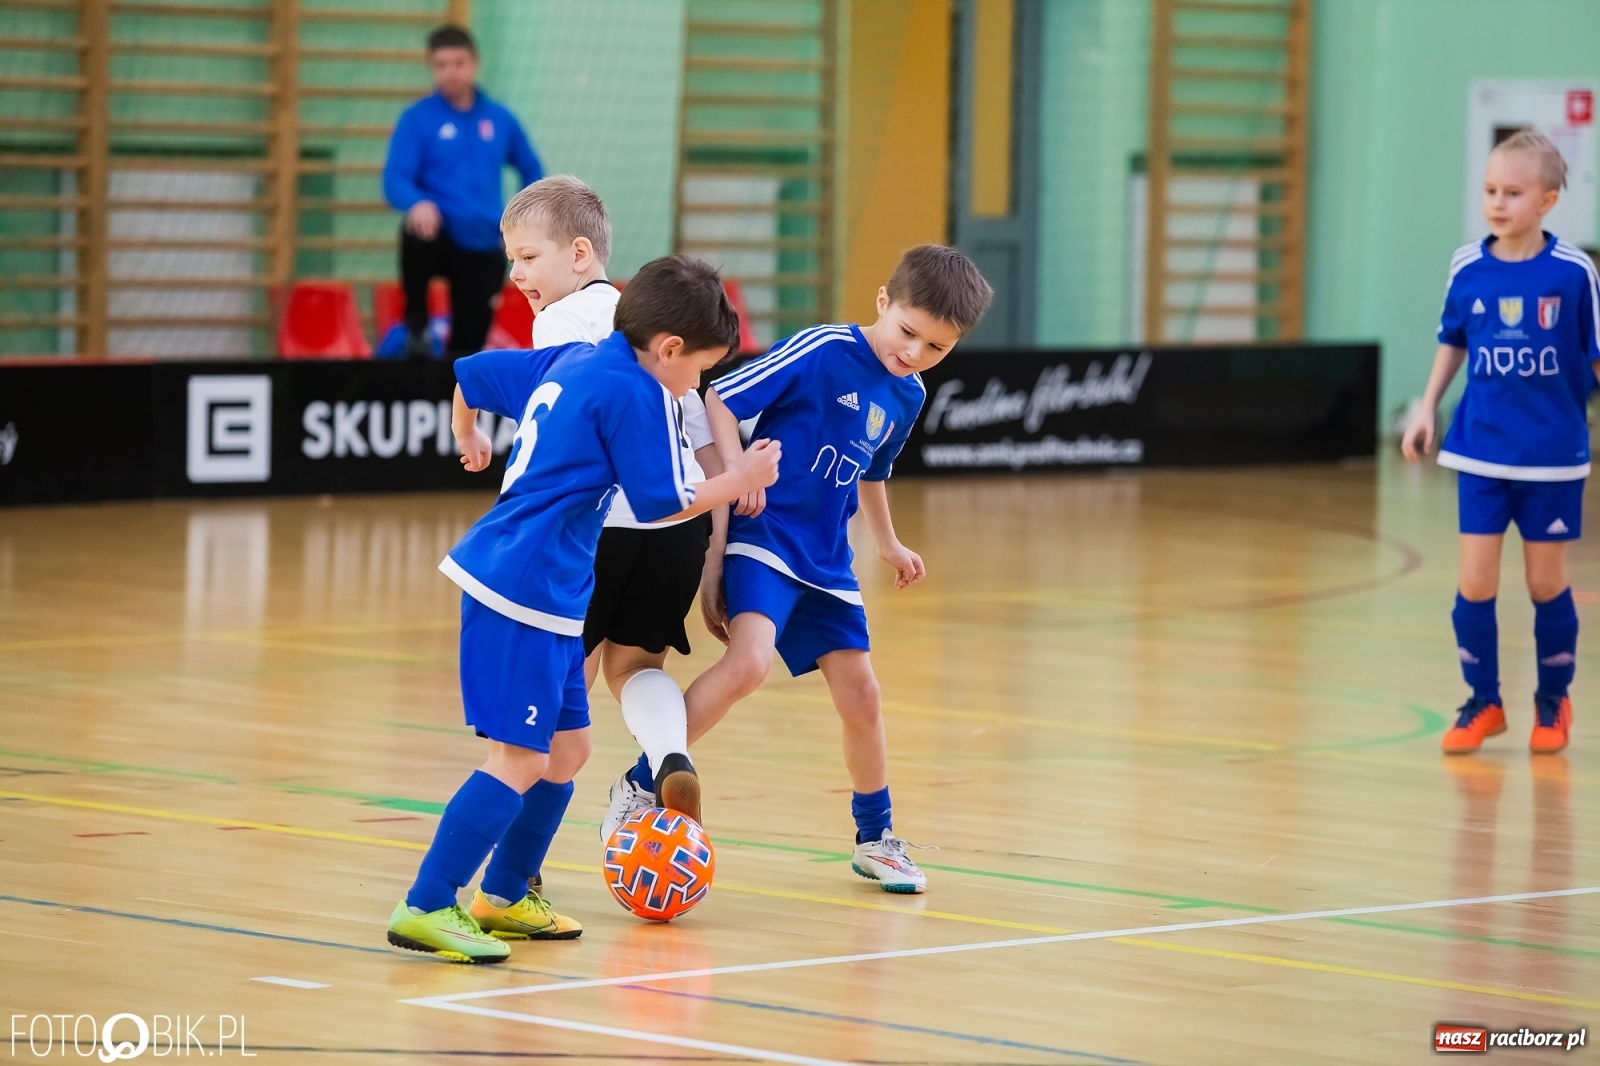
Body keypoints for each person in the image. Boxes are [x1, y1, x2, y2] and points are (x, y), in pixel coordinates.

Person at [385, 255, 781, 963]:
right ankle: (425, 903)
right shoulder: (635, 392)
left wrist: (467, 434)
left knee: (569, 750)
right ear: (667, 350)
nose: (697, 385)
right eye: (699, 370)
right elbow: (661, 504)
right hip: (523, 586)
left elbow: (469, 374)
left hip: (553, 585)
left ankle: (503, 895)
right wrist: (739, 477)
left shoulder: (573, 356)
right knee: (519, 757)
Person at [602, 245, 993, 894]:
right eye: (908, 333)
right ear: (881, 302)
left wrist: (890, 544)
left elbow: (872, 473)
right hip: (766, 536)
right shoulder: (822, 348)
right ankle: (644, 780)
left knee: (863, 695)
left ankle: (876, 838)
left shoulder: (909, 393)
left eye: (937, 348)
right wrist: (733, 478)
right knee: (749, 664)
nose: (916, 353)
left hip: (827, 559)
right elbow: (720, 397)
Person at [498, 176, 729, 832]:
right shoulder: (661, 326)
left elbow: (568, 425)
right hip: (674, 527)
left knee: (554, 700)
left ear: (579, 254)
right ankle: (668, 753)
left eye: (527, 257)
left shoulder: (559, 323)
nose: (516, 274)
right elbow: (704, 438)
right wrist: (715, 548)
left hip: (594, 530)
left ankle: (520, 873)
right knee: (637, 667)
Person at [1401, 129, 1600, 756]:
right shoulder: (1468, 266)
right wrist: (1426, 406)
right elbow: (1452, 339)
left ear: (1546, 201)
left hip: (1552, 455)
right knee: (1474, 581)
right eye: (1490, 190)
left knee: (1545, 583)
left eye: (1512, 192)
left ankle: (1553, 699)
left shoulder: (1573, 274)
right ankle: (1483, 702)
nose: (1497, 202)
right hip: (1480, 450)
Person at [382, 24, 542, 359]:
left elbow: (532, 170)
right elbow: (395, 179)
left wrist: (519, 223)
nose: (450, 72)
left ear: (474, 63)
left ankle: (452, 402)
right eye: (441, 65)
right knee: (415, 232)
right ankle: (417, 325)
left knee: (468, 347)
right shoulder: (417, 119)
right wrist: (417, 203)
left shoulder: (500, 120)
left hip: (484, 241)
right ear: (432, 68)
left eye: (458, 63)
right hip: (439, 235)